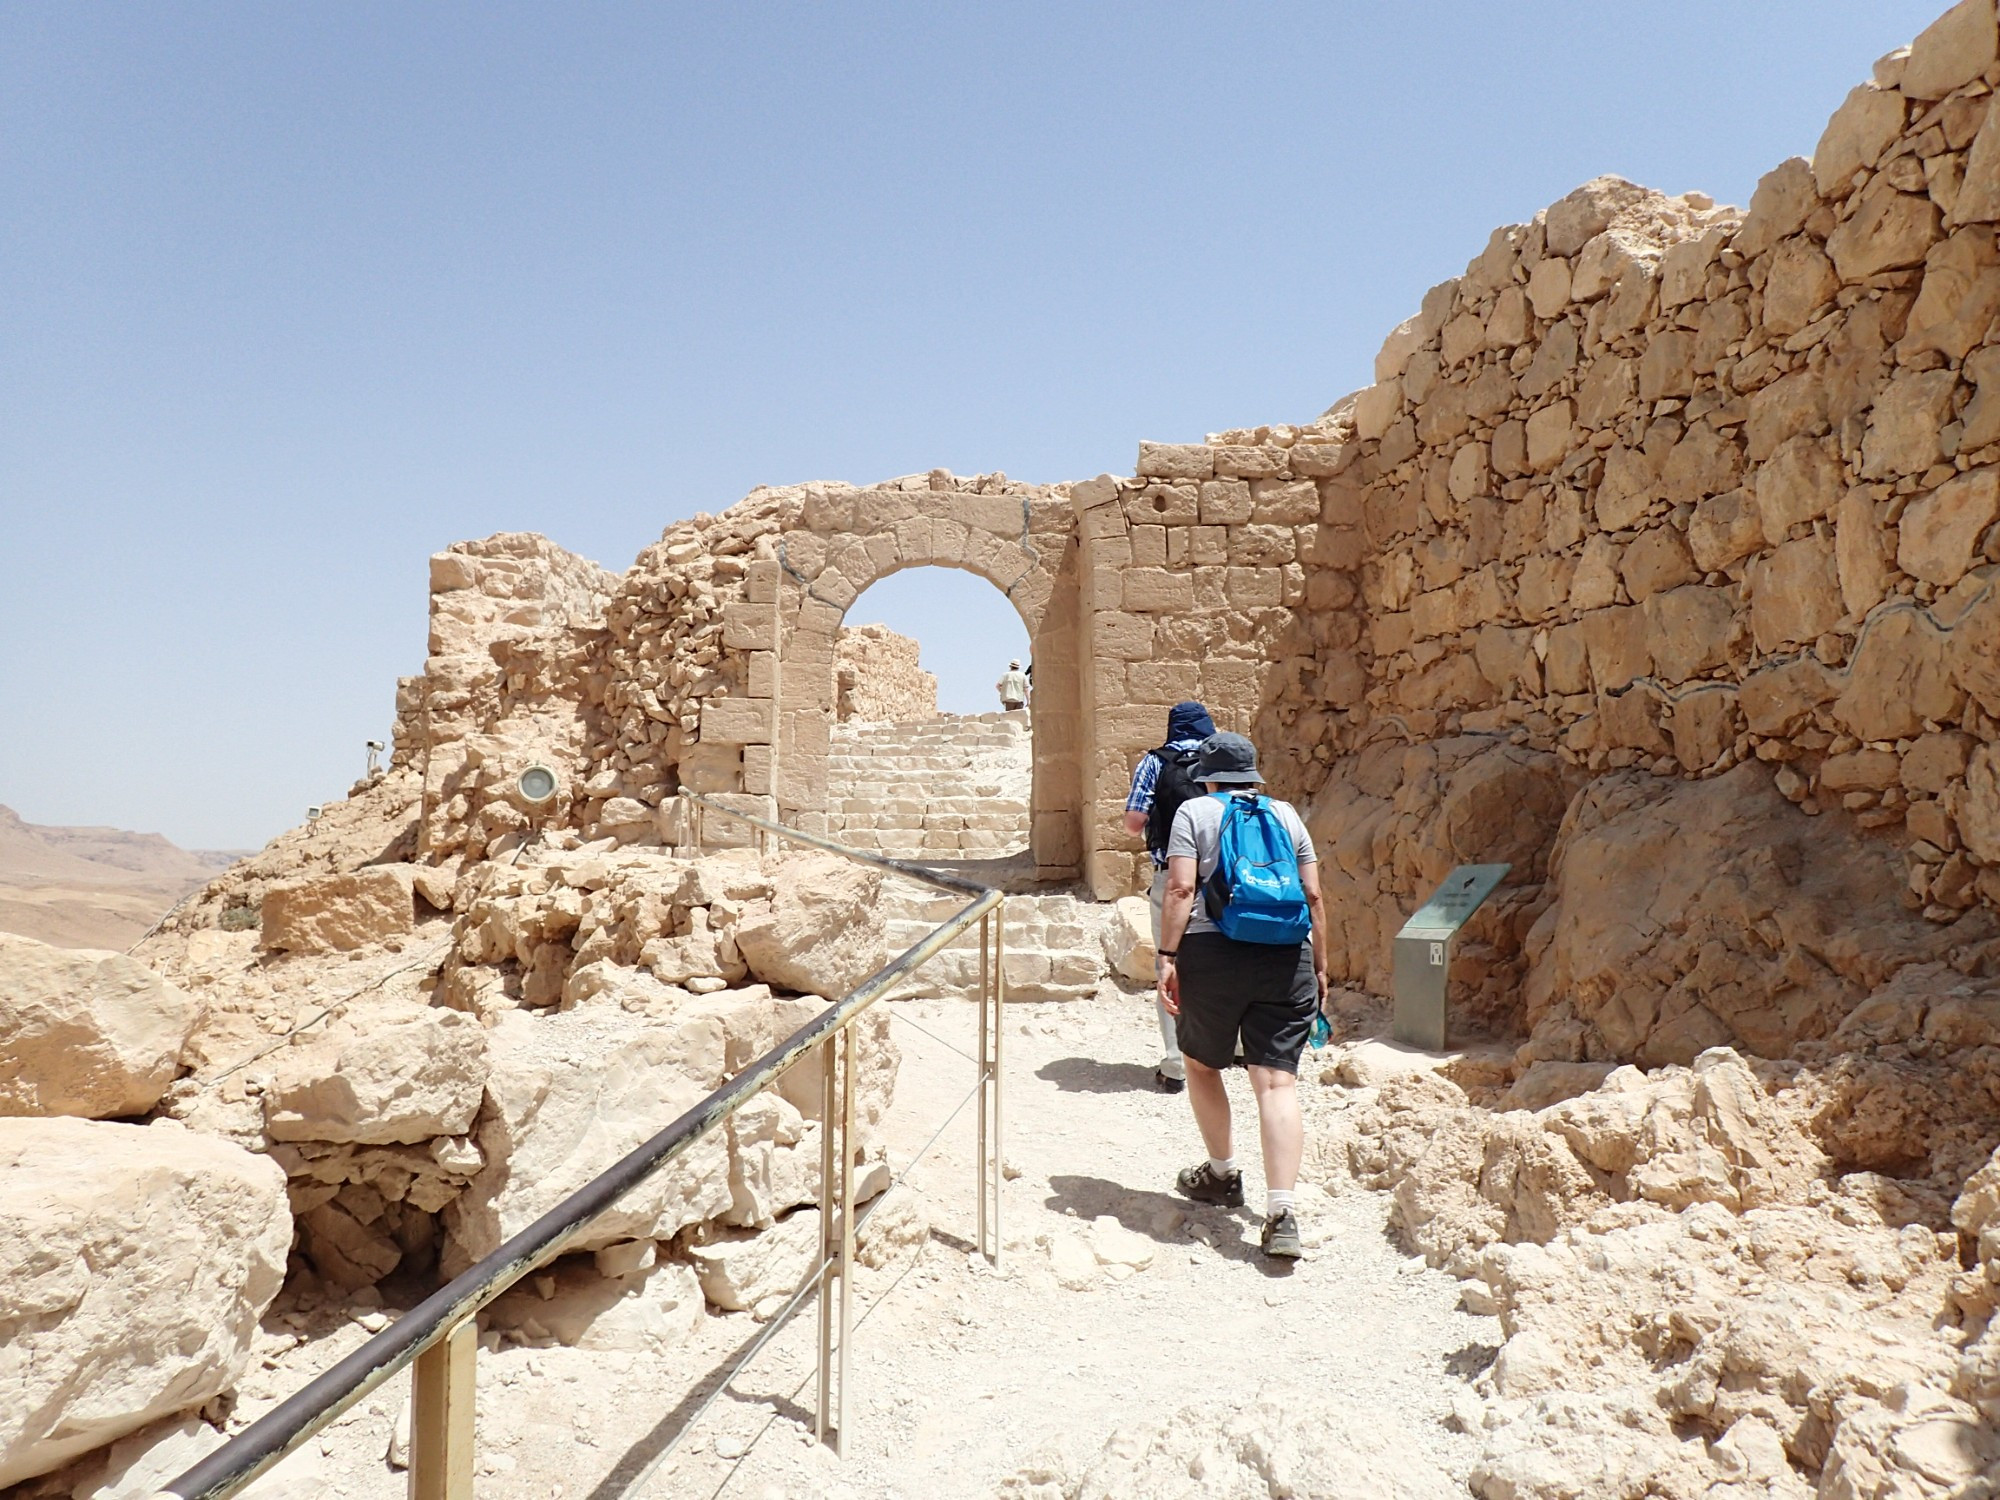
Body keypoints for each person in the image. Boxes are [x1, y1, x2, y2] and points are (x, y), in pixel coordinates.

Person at [1156, 731, 1328, 1259]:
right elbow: (1314, 894)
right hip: (1286, 955)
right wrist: (1320, 965)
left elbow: (1182, 889)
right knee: (1277, 1084)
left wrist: (1167, 955)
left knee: (1202, 1064)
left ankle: (1223, 1175)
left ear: (1208, 773)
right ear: (1253, 774)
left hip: (1213, 953)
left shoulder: (1195, 813)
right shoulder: (1287, 815)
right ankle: (1282, 1214)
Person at [1121, 700, 1216, 1093]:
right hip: (1223, 879)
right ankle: (1236, 1048)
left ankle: (1177, 1066)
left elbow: (1133, 823)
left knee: (1170, 968)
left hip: (1172, 876)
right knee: (1223, 961)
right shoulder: (1221, 758)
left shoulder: (1155, 762)